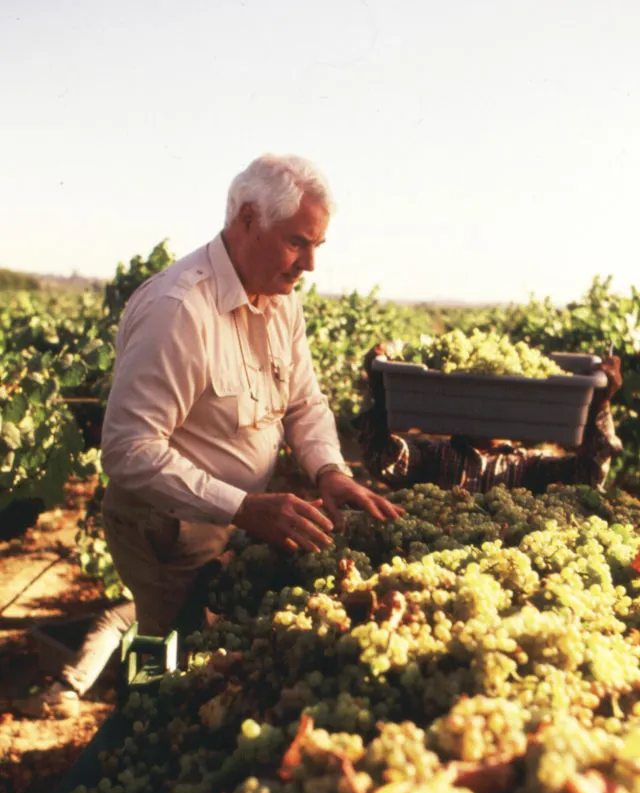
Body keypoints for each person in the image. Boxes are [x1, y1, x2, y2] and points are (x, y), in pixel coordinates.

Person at [17, 154, 401, 718]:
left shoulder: (280, 299)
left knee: (192, 641)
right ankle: (139, 733)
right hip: (162, 526)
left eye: (317, 245)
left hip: (224, 517)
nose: (311, 264)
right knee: (163, 644)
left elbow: (303, 399)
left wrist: (329, 470)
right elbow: (128, 451)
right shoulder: (179, 309)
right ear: (247, 218)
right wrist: (244, 507)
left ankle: (151, 719)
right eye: (298, 242)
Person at [356, 341, 623, 493]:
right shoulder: (432, 457)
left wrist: (602, 405)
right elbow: (383, 459)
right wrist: (380, 389)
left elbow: (589, 475)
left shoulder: (530, 467)